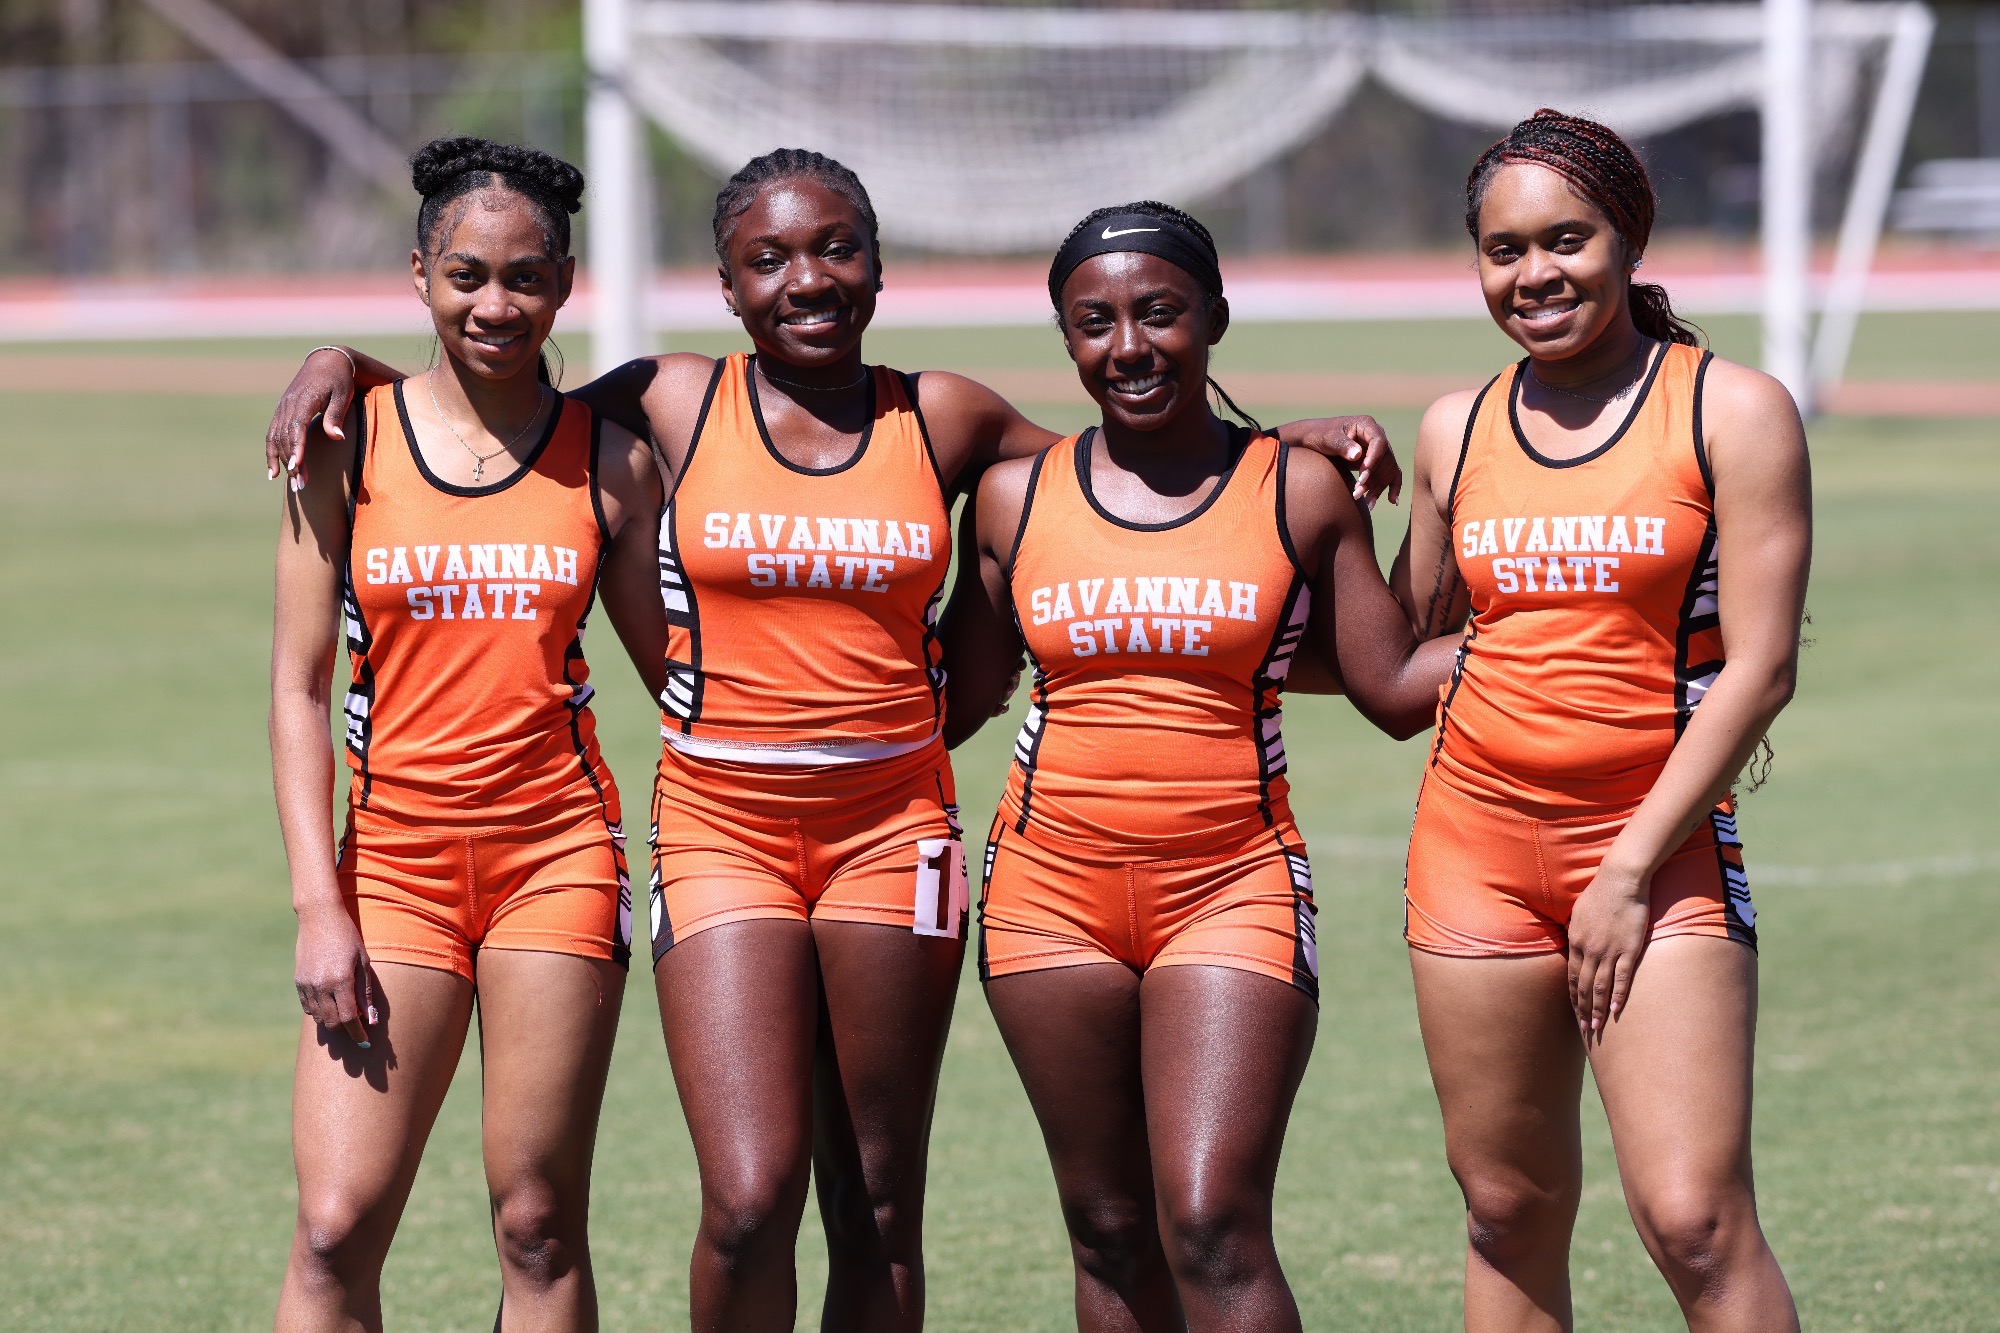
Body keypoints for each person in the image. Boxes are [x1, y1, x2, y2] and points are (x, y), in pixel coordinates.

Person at [260, 148, 1401, 1333]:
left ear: (875, 265)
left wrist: (1275, 446)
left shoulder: (944, 416)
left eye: (834, 249)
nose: (806, 280)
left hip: (891, 836)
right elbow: (482, 412)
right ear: (725, 286)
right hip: (719, 834)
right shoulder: (668, 399)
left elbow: (1127, 460)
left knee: (874, 1205)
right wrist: (341, 364)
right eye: (769, 260)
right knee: (748, 1200)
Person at [941, 202, 1461, 1332]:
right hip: (1046, 900)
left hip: (1230, 888)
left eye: (1159, 313)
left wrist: (1577, 616)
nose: (1128, 346)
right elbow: (952, 702)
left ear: (1213, 317)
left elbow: (1388, 691)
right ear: (1066, 341)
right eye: (1094, 323)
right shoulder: (1010, 499)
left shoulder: (1298, 489)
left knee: (1213, 1220)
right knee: (1108, 1228)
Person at [1389, 110, 1807, 1332]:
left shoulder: (1728, 410)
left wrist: (1624, 871)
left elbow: (1761, 669)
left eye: (1563, 239)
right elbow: (1404, 651)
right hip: (1469, 863)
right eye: (1502, 249)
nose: (1533, 275)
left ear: (1625, 237)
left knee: (1692, 1217)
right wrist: (1303, 476)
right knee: (1504, 1211)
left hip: (1653, 855)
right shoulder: (1451, 429)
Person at [270, 137, 663, 1331]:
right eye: (468, 275)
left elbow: (682, 679)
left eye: (526, 278)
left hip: (555, 861)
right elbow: (295, 684)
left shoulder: (613, 464)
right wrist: (319, 905)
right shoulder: (344, 441)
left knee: (536, 1223)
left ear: (565, 282)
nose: (496, 304)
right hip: (392, 872)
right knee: (335, 1226)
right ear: (420, 273)